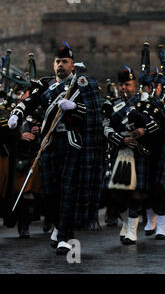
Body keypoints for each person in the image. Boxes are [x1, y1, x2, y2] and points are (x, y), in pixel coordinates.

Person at [7, 42, 104, 254]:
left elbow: (94, 115)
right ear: (53, 64)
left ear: (72, 65)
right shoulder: (44, 84)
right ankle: (59, 225)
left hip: (71, 143)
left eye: (65, 62)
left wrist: (75, 107)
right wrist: (17, 114)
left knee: (68, 190)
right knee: (50, 192)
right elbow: (29, 101)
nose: (61, 65)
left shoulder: (82, 84)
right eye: (58, 61)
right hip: (49, 144)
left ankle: (63, 236)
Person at [104, 65, 165, 244]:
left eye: (128, 84)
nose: (124, 88)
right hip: (120, 151)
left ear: (135, 85)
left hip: (139, 151)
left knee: (136, 193)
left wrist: (143, 130)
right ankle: (126, 222)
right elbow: (106, 127)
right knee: (115, 195)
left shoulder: (146, 103)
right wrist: (120, 140)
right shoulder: (111, 104)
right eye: (122, 84)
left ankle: (132, 230)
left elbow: (159, 125)